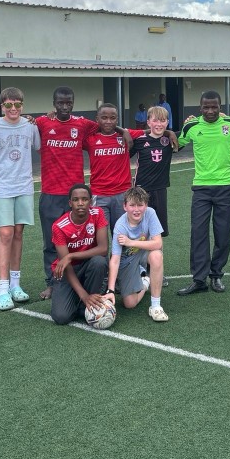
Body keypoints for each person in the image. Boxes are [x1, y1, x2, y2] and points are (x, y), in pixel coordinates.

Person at [176, 90, 230, 295]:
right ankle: (199, 280)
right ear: (200, 108)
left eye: (214, 106)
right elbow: (174, 145)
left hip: (225, 186)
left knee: (223, 233)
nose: (210, 111)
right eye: (206, 107)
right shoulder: (191, 126)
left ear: (220, 107)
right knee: (198, 233)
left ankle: (216, 275)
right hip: (201, 188)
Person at [0, 86, 41, 310]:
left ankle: (16, 284)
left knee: (18, 233)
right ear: (2, 106)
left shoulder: (30, 126)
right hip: (2, 186)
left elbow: (37, 146)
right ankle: (3, 288)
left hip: (24, 185)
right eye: (8, 105)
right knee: (5, 234)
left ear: (22, 106)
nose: (13, 108)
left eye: (17, 104)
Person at [34, 87, 99, 301]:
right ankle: (52, 283)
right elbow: (22, 122)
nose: (64, 106)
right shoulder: (43, 123)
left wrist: (123, 130)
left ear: (73, 103)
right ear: (54, 103)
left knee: (82, 240)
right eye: (60, 103)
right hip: (51, 194)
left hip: (76, 197)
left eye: (68, 102)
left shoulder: (81, 124)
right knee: (50, 243)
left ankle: (86, 278)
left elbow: (105, 125)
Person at [50, 184, 111, 325]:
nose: (80, 203)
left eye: (84, 199)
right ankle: (80, 297)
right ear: (70, 203)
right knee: (61, 317)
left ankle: (88, 303)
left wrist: (71, 256)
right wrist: (83, 295)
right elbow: (67, 267)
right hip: (67, 272)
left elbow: (103, 249)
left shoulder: (98, 213)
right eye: (76, 200)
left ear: (91, 201)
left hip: (89, 265)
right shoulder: (59, 226)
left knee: (99, 262)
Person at [106, 187, 167, 321]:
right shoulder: (120, 226)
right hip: (128, 258)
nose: (136, 209)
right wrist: (110, 290)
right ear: (125, 206)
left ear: (146, 205)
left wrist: (130, 242)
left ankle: (155, 306)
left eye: (140, 205)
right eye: (132, 205)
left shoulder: (150, 213)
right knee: (129, 304)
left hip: (144, 251)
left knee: (156, 255)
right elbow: (115, 260)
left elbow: (158, 243)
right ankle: (145, 280)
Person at [86, 102, 142, 231]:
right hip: (99, 195)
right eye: (104, 118)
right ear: (97, 119)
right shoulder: (90, 138)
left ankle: (120, 253)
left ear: (117, 119)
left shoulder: (124, 136)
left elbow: (150, 131)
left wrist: (168, 132)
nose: (108, 121)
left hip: (122, 194)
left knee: (122, 234)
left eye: (113, 118)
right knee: (99, 235)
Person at [131, 105, 178, 238]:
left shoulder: (170, 140)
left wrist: (171, 132)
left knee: (158, 230)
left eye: (162, 121)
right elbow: (124, 155)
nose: (159, 124)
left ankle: (156, 257)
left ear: (167, 122)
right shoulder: (139, 140)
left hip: (160, 189)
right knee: (140, 229)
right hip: (141, 189)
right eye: (155, 120)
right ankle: (139, 258)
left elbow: (189, 130)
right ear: (148, 122)